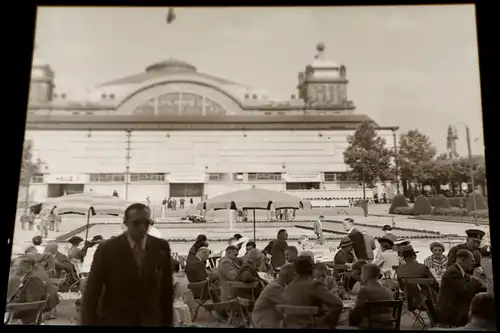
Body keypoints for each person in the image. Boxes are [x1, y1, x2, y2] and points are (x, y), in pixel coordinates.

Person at [81, 203, 173, 326]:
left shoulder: (161, 247)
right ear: (126, 222)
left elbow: (166, 289)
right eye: (137, 223)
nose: (142, 228)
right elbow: (92, 291)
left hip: (150, 321)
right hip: (116, 319)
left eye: (146, 223)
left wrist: (167, 322)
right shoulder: (108, 249)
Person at [283, 255, 343, 328]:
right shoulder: (315, 285)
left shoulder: (288, 288)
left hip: (293, 326)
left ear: (295, 271)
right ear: (312, 270)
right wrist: (330, 321)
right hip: (314, 325)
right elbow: (338, 304)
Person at [436, 249, 487, 328]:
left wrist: (482, 283)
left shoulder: (457, 270)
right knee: (481, 311)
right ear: (463, 260)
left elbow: (467, 280)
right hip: (451, 312)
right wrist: (475, 278)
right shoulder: (453, 272)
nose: (473, 264)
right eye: (472, 261)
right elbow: (466, 293)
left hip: (453, 306)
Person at [7, 255, 54, 324]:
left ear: (27, 269)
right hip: (14, 313)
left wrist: (23, 320)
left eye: (16, 266)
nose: (13, 268)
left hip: (19, 317)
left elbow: (33, 305)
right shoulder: (25, 279)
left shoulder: (34, 282)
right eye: (13, 266)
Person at [348, 264, 395, 328]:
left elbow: (356, 310)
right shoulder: (387, 290)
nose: (361, 275)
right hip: (388, 325)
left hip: (371, 325)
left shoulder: (364, 290)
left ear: (366, 275)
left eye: (362, 273)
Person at [252, 263, 296, 328]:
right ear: (289, 276)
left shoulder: (277, 285)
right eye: (295, 275)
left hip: (266, 319)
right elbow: (288, 304)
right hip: (263, 322)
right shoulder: (275, 288)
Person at [396, 246, 439, 312]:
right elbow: (435, 284)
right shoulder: (423, 267)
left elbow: (401, 288)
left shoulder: (399, 269)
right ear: (415, 256)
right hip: (428, 300)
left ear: (404, 258)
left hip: (410, 301)